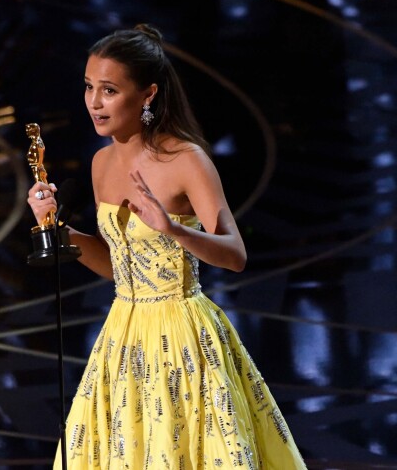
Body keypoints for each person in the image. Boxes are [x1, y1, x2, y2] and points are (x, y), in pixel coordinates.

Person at [28, 24, 306, 469]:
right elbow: (118, 267)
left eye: (109, 90)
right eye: (89, 87)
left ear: (148, 94)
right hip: (122, 335)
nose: (94, 103)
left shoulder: (186, 160)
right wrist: (55, 227)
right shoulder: (102, 162)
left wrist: (174, 230)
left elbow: (234, 254)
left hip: (182, 336)